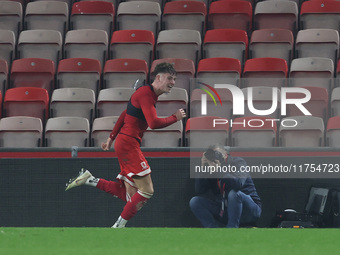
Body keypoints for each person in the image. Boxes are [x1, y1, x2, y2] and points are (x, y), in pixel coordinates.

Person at [65, 62, 186, 228]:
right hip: (129, 144)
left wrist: (111, 138)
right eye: (169, 78)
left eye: (174, 79)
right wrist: (175, 117)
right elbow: (153, 123)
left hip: (125, 141)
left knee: (131, 195)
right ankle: (118, 226)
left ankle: (90, 179)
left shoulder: (147, 95)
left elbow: (124, 114)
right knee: (147, 190)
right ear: (158, 77)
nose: (173, 82)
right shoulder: (146, 94)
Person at [189, 144, 262, 228]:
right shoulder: (210, 168)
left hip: (249, 210)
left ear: (225, 154)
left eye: (217, 154)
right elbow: (199, 190)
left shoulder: (238, 162)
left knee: (234, 193)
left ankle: (231, 230)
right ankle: (215, 232)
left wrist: (219, 170)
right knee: (195, 201)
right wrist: (203, 168)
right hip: (226, 211)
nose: (215, 157)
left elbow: (238, 184)